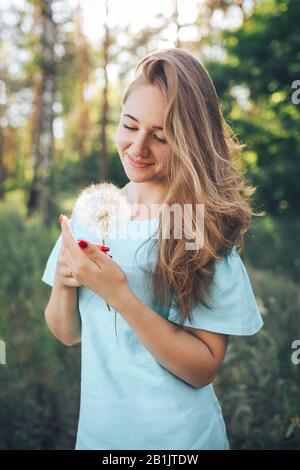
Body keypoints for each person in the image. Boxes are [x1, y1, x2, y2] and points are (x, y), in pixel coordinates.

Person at [41, 48, 264, 450]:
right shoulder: (93, 210)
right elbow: (68, 333)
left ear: (189, 140)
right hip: (97, 438)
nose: (137, 148)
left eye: (160, 136)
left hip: (179, 442)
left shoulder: (194, 223)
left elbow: (202, 368)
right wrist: (62, 281)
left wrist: (120, 295)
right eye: (130, 125)